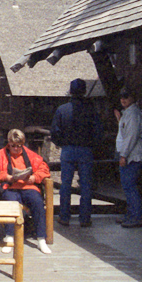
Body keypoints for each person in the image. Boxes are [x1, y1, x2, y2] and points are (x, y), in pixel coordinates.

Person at [50, 78, 102, 228]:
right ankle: (85, 218)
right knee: (86, 185)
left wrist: (62, 144)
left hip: (68, 149)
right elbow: (98, 132)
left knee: (65, 184)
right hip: (86, 150)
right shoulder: (91, 109)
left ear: (70, 91)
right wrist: (93, 146)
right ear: (84, 91)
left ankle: (64, 217)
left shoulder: (62, 109)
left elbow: (55, 132)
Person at [0, 129, 52, 254]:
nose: (16, 149)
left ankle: (41, 239)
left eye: (19, 146)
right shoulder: (0, 154)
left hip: (28, 186)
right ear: (8, 143)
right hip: (10, 186)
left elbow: (43, 169)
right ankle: (9, 236)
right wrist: (7, 177)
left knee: (37, 201)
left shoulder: (30, 154)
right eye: (13, 146)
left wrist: (34, 178)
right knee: (10, 202)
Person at [115, 88, 142, 228]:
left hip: (133, 155)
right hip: (130, 154)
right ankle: (130, 214)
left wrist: (124, 155)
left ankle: (135, 216)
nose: (123, 100)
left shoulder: (133, 114)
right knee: (128, 187)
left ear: (132, 99)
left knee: (130, 187)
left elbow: (131, 136)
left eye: (126, 97)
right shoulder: (127, 114)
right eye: (122, 97)